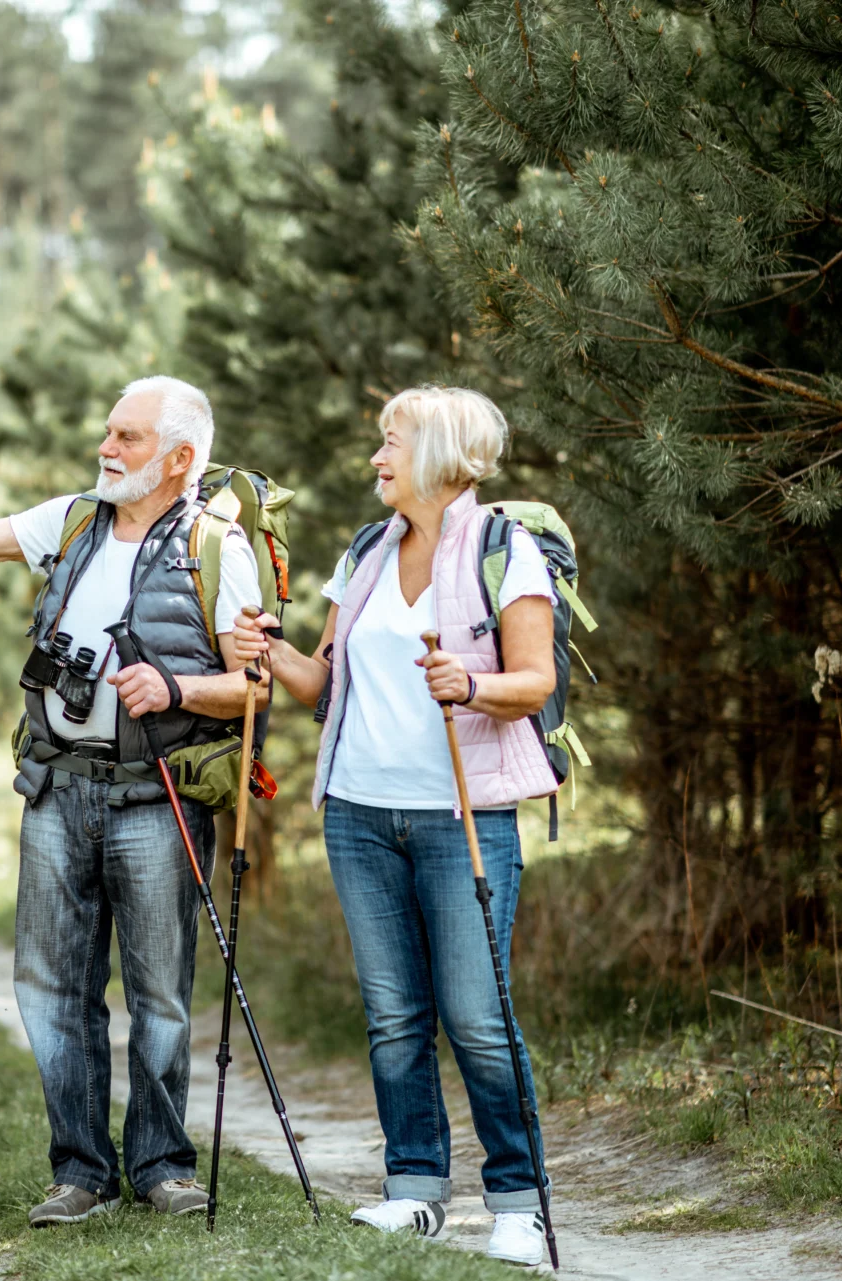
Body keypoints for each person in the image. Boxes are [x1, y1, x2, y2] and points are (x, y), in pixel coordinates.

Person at [0, 377, 265, 1228]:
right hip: (55, 788)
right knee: (51, 988)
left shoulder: (220, 547)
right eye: (108, 432)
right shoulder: (75, 519)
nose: (106, 449)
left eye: (129, 438)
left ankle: (161, 1165)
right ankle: (78, 1171)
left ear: (181, 459)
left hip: (159, 801)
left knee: (159, 994)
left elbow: (254, 684)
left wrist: (177, 684)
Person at [231, 386, 557, 1266]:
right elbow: (322, 683)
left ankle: (519, 1199)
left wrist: (472, 685)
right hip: (362, 817)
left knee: (478, 1018)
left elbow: (532, 679)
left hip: (463, 816)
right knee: (394, 1018)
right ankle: (414, 1189)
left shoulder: (504, 549)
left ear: (442, 455)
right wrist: (270, 649)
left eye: (391, 441)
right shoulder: (368, 551)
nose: (377, 457)